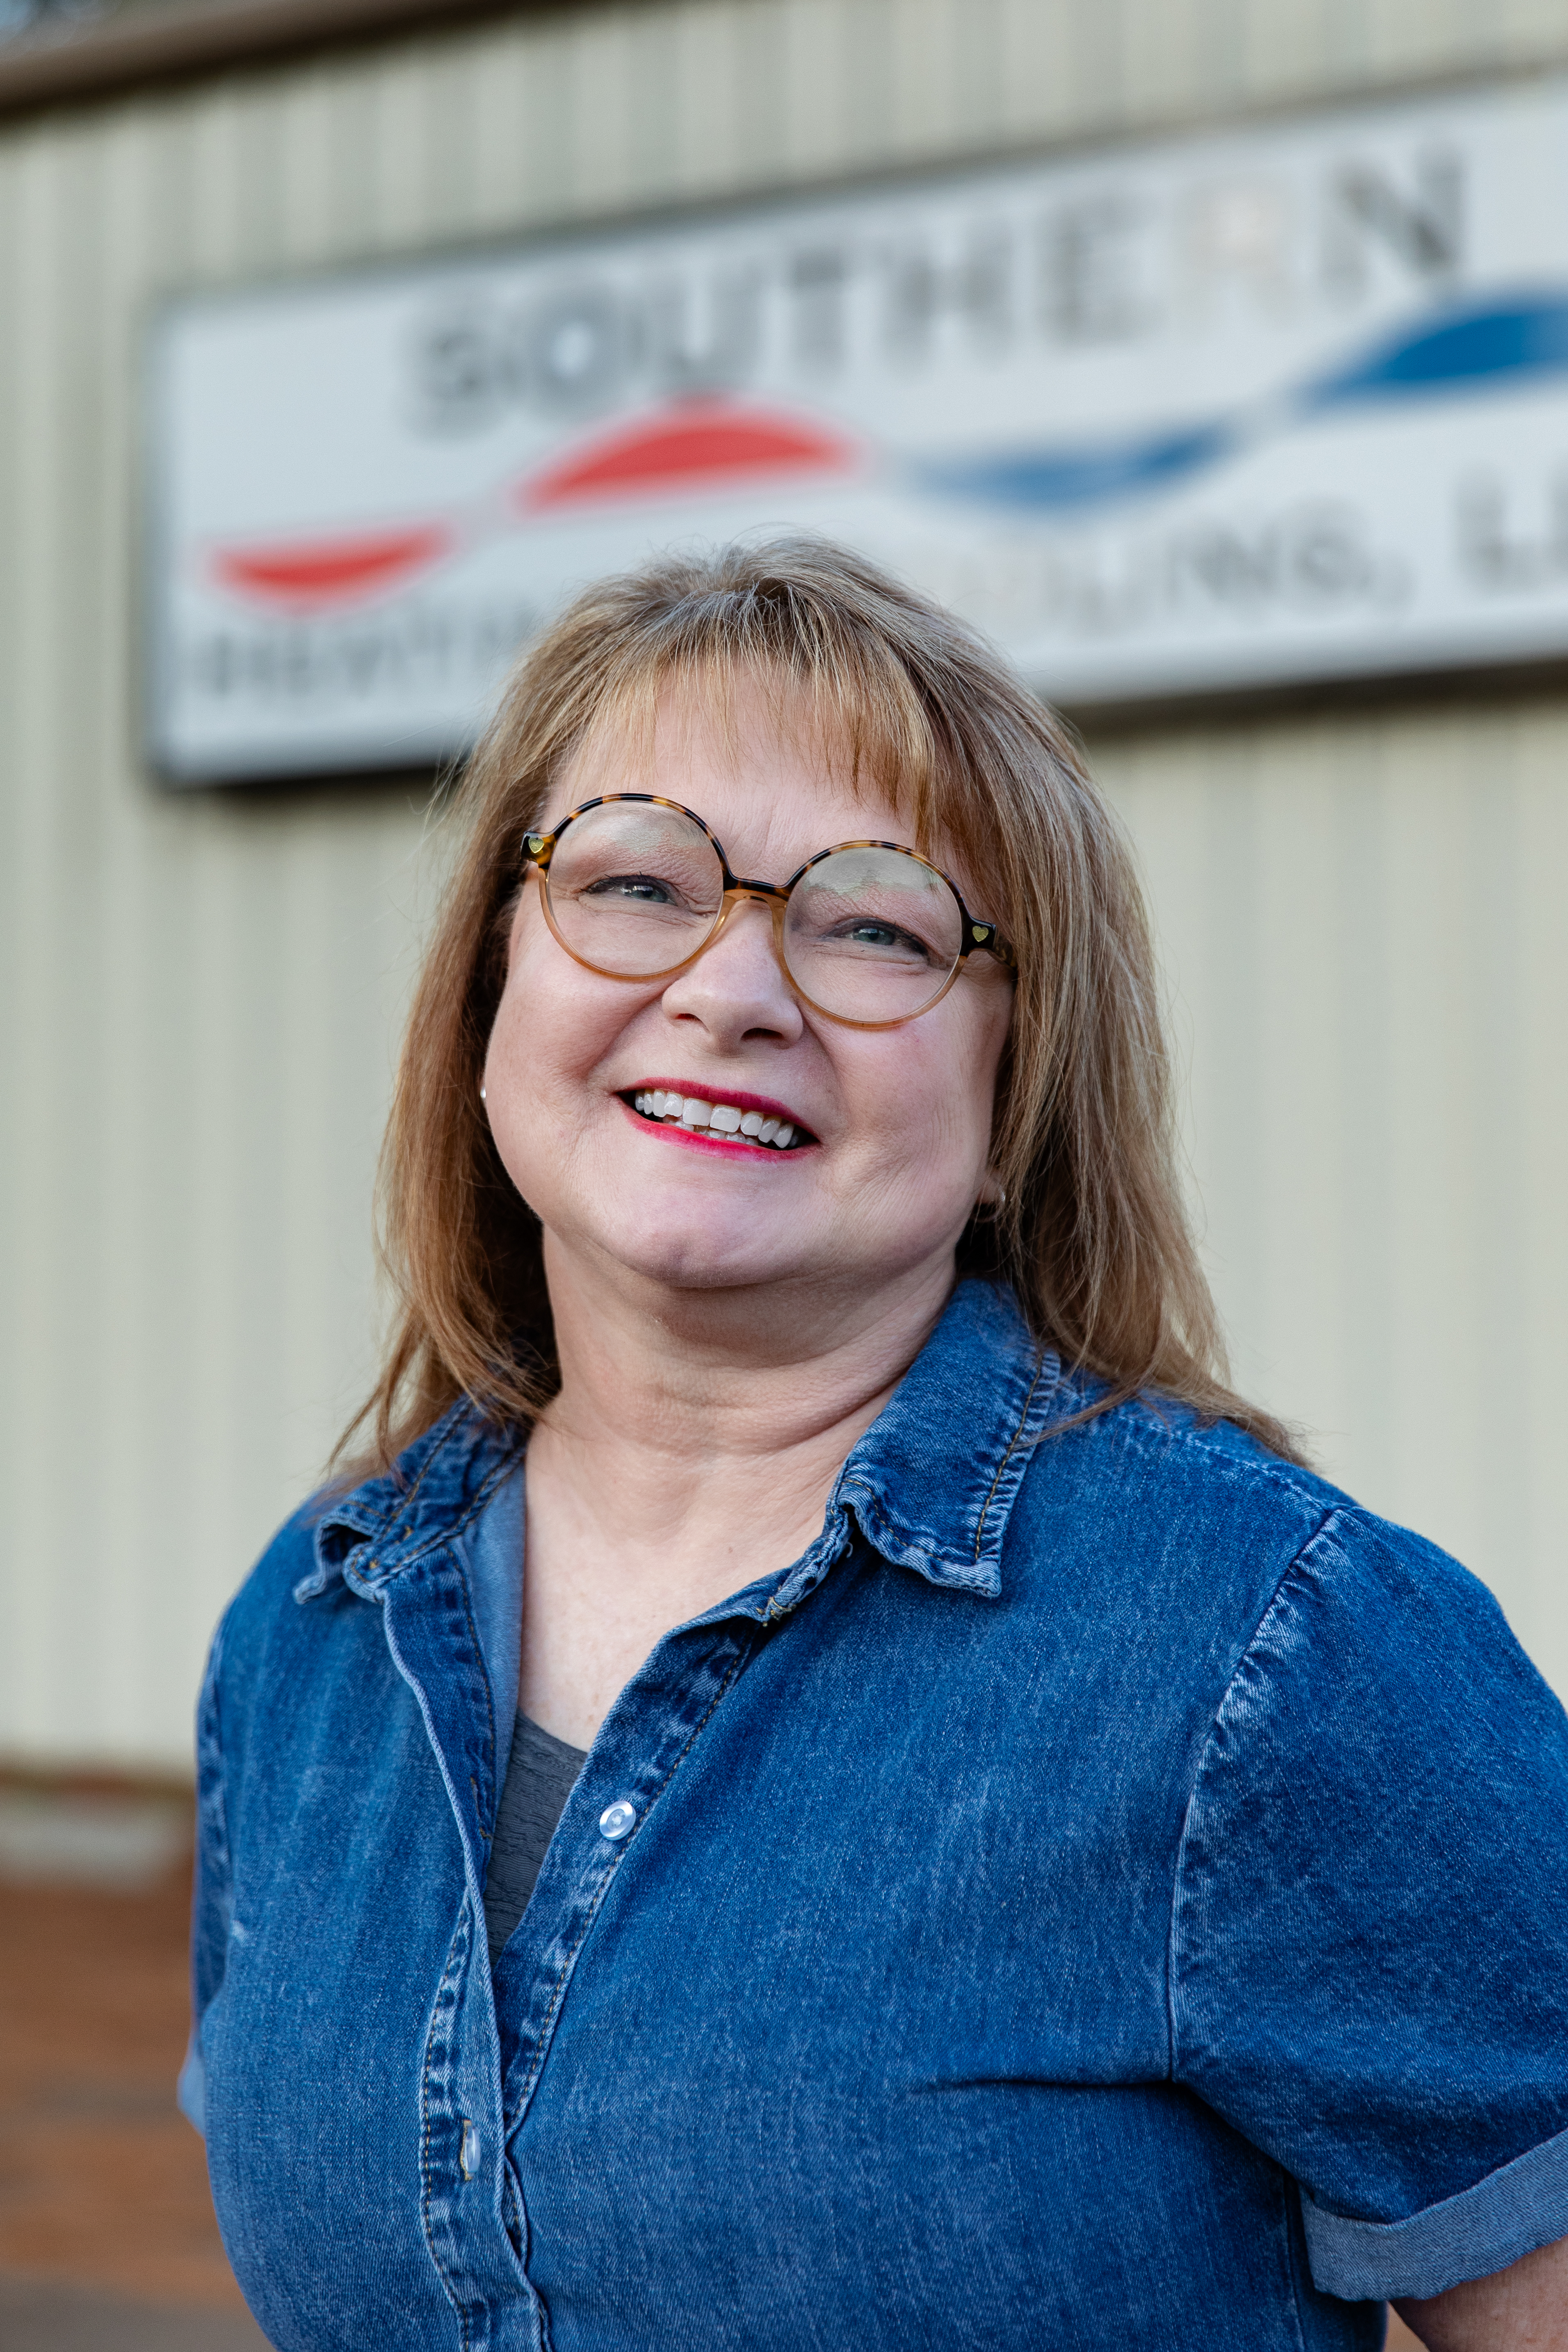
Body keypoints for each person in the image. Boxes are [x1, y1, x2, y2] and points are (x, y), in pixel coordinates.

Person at [181, 539, 1568, 2352]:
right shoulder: (308, 1635)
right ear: (488, 1000)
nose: (732, 987)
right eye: (636, 880)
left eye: (874, 926)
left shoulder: (1275, 1649)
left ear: (1015, 1100)